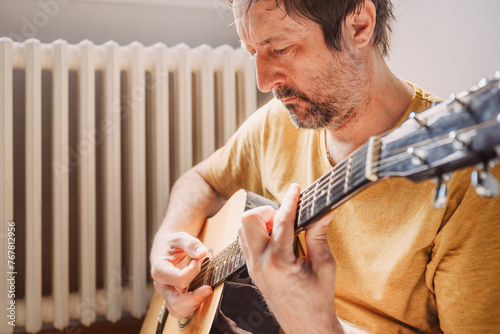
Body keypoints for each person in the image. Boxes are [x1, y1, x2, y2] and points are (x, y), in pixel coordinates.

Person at [150, 0, 500, 333]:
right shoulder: (276, 124)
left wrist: (316, 324)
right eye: (253, 52)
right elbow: (202, 180)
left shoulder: (470, 187)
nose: (263, 80)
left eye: (281, 48)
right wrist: (167, 242)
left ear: (358, 25)